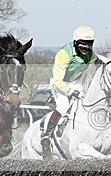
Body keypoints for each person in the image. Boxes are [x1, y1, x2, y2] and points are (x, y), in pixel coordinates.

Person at [40, 26, 98, 158]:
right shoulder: (64, 54)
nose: (86, 49)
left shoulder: (91, 54)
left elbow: (98, 61)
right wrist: (71, 92)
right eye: (82, 46)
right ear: (76, 43)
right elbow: (58, 81)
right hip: (59, 83)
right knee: (63, 106)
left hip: (76, 82)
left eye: (89, 45)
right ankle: (46, 136)